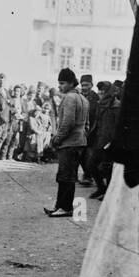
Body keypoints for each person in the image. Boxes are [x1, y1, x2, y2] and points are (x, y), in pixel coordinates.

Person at [45, 68, 90, 217]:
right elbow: (87, 124)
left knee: (65, 176)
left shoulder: (70, 98)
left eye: (62, 83)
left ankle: (65, 207)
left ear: (71, 83)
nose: (60, 86)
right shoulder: (83, 98)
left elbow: (67, 122)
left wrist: (57, 139)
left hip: (69, 143)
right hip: (79, 141)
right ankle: (60, 205)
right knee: (68, 175)